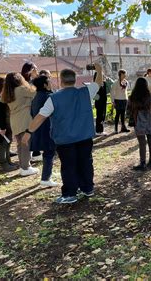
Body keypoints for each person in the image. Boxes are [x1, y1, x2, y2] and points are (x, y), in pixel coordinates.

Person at [23, 64, 104, 204]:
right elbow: (98, 83)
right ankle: (88, 188)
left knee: (68, 166)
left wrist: (29, 132)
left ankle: (70, 194)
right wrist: (99, 69)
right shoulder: (86, 92)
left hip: (65, 139)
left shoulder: (53, 98)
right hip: (85, 136)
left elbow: (40, 117)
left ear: (61, 80)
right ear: (74, 79)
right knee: (86, 162)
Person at [0, 73, 38, 176]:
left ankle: (23, 166)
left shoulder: (7, 92)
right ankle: (26, 167)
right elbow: (34, 92)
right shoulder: (21, 89)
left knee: (20, 144)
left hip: (14, 120)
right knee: (26, 144)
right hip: (24, 119)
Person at [30, 75, 58, 187]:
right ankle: (45, 178)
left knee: (48, 153)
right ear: (45, 85)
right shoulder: (49, 96)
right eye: (49, 81)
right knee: (49, 153)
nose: (51, 83)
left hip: (38, 129)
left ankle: (47, 175)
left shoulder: (36, 96)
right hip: (48, 129)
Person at [128, 77, 151, 171]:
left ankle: (142, 163)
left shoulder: (132, 96)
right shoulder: (150, 95)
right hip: (149, 120)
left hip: (138, 121)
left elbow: (128, 110)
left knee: (142, 143)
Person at [0, 77, 17, 172]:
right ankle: (3, 164)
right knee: (2, 144)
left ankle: (8, 162)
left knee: (7, 143)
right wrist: (2, 128)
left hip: (4, 125)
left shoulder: (0, 95)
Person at [111, 69, 130, 134]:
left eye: (125, 74)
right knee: (117, 114)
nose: (124, 75)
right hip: (118, 100)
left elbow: (126, 91)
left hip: (124, 99)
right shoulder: (115, 83)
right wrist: (112, 101)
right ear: (120, 75)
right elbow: (112, 92)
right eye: (123, 74)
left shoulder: (126, 82)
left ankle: (123, 127)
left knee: (123, 114)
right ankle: (116, 128)